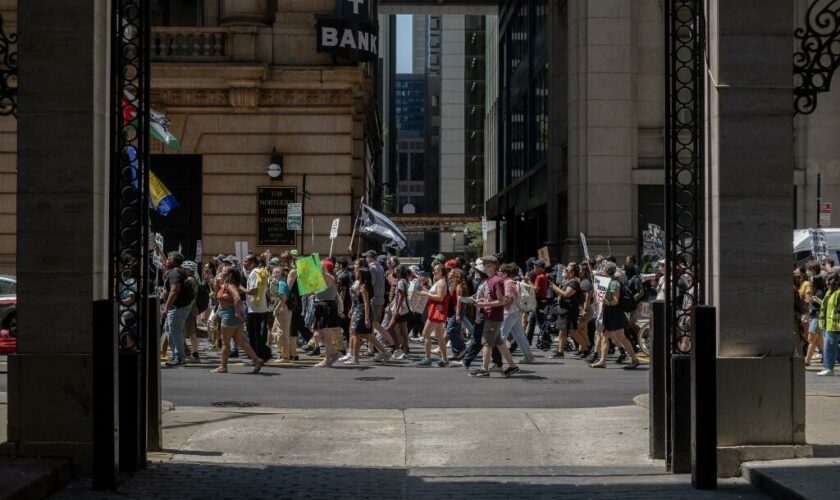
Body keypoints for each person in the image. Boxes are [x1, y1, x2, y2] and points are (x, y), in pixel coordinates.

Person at [471, 256, 520, 377]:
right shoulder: (490, 279)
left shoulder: (496, 281)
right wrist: (484, 300)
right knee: (500, 344)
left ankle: (484, 369)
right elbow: (494, 298)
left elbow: (502, 301)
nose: (482, 266)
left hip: (494, 316)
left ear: (492, 266)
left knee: (487, 343)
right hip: (491, 316)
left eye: (485, 264)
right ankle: (513, 367)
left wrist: (484, 303)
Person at [210, 265, 264, 374]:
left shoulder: (230, 285)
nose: (222, 270)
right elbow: (218, 293)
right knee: (241, 341)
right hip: (230, 315)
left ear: (229, 274)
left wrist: (236, 312)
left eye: (225, 269)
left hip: (229, 315)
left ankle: (223, 367)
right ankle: (257, 360)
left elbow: (237, 298)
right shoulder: (228, 284)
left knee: (225, 342)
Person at [591, 261, 640, 369]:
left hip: (615, 313)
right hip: (608, 312)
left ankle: (634, 359)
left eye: (604, 268)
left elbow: (616, 300)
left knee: (621, 337)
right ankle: (602, 361)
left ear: (608, 270)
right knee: (604, 336)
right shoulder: (607, 281)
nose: (602, 270)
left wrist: (605, 301)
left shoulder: (614, 283)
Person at [341, 261, 389, 365]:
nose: (357, 274)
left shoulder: (364, 287)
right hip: (359, 310)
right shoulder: (364, 285)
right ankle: (384, 352)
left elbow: (366, 303)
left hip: (362, 312)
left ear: (363, 276)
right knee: (367, 335)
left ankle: (355, 358)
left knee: (357, 334)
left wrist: (367, 318)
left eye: (360, 274)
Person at [161, 252, 193, 367]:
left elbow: (174, 291)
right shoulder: (175, 271)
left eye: (169, 259)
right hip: (176, 307)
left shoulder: (175, 272)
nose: (166, 260)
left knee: (175, 332)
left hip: (178, 308)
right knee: (169, 331)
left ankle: (179, 357)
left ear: (174, 261)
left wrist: (166, 307)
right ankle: (176, 355)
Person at [499, 263, 535, 363]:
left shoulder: (508, 283)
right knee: (519, 335)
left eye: (500, 272)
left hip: (509, 312)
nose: (498, 273)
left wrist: (497, 303)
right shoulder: (510, 282)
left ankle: (498, 360)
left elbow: (508, 299)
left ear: (506, 273)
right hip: (514, 311)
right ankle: (529, 357)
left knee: (502, 334)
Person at [417, 264, 451, 367]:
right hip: (436, 311)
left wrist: (426, 294)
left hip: (436, 312)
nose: (433, 272)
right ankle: (444, 359)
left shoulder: (441, 283)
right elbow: (433, 294)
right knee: (440, 336)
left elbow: (440, 297)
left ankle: (427, 358)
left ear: (440, 271)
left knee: (425, 334)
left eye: (435, 270)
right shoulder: (439, 282)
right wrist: (423, 287)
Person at [243, 253, 272, 362]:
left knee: (254, 335)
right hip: (259, 308)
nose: (244, 263)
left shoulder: (255, 273)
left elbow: (254, 291)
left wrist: (241, 288)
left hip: (254, 310)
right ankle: (261, 355)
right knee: (258, 335)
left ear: (252, 263)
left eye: (246, 261)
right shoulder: (257, 272)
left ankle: (261, 356)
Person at [312, 260, 341, 367]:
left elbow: (323, 274)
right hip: (319, 307)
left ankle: (327, 360)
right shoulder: (318, 278)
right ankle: (334, 352)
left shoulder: (329, 277)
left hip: (327, 307)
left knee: (327, 337)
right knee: (316, 335)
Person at [549, 263, 581, 359]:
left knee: (573, 332)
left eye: (566, 270)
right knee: (562, 331)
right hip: (564, 310)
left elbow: (566, 294)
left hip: (570, 311)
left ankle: (586, 348)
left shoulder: (574, 282)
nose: (564, 271)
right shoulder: (567, 281)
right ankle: (560, 352)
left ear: (572, 273)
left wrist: (555, 288)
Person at [364, 250, 394, 347]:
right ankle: (389, 342)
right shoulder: (380, 267)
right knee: (375, 324)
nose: (365, 259)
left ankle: (373, 348)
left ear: (371, 258)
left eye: (367, 257)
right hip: (380, 299)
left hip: (374, 299)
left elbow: (371, 284)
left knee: (372, 325)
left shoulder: (372, 268)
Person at [818, 270, 840, 376]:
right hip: (827, 324)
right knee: (834, 347)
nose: (826, 283)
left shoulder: (838, 293)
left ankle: (828, 368)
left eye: (828, 281)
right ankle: (828, 367)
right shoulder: (829, 292)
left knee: (829, 347)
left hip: (834, 325)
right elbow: (827, 305)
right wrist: (818, 300)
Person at [804, 261, 825, 366]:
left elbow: (820, 304)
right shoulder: (814, 291)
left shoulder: (819, 292)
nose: (810, 283)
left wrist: (813, 297)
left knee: (811, 339)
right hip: (813, 316)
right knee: (818, 341)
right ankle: (828, 356)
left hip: (817, 316)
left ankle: (807, 360)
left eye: (811, 282)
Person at [181, 260, 201, 362]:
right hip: (192, 309)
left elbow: (191, 297)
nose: (183, 270)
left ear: (189, 270)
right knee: (192, 332)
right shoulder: (195, 279)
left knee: (186, 331)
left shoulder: (189, 280)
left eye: (184, 269)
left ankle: (190, 354)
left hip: (189, 308)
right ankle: (195, 353)